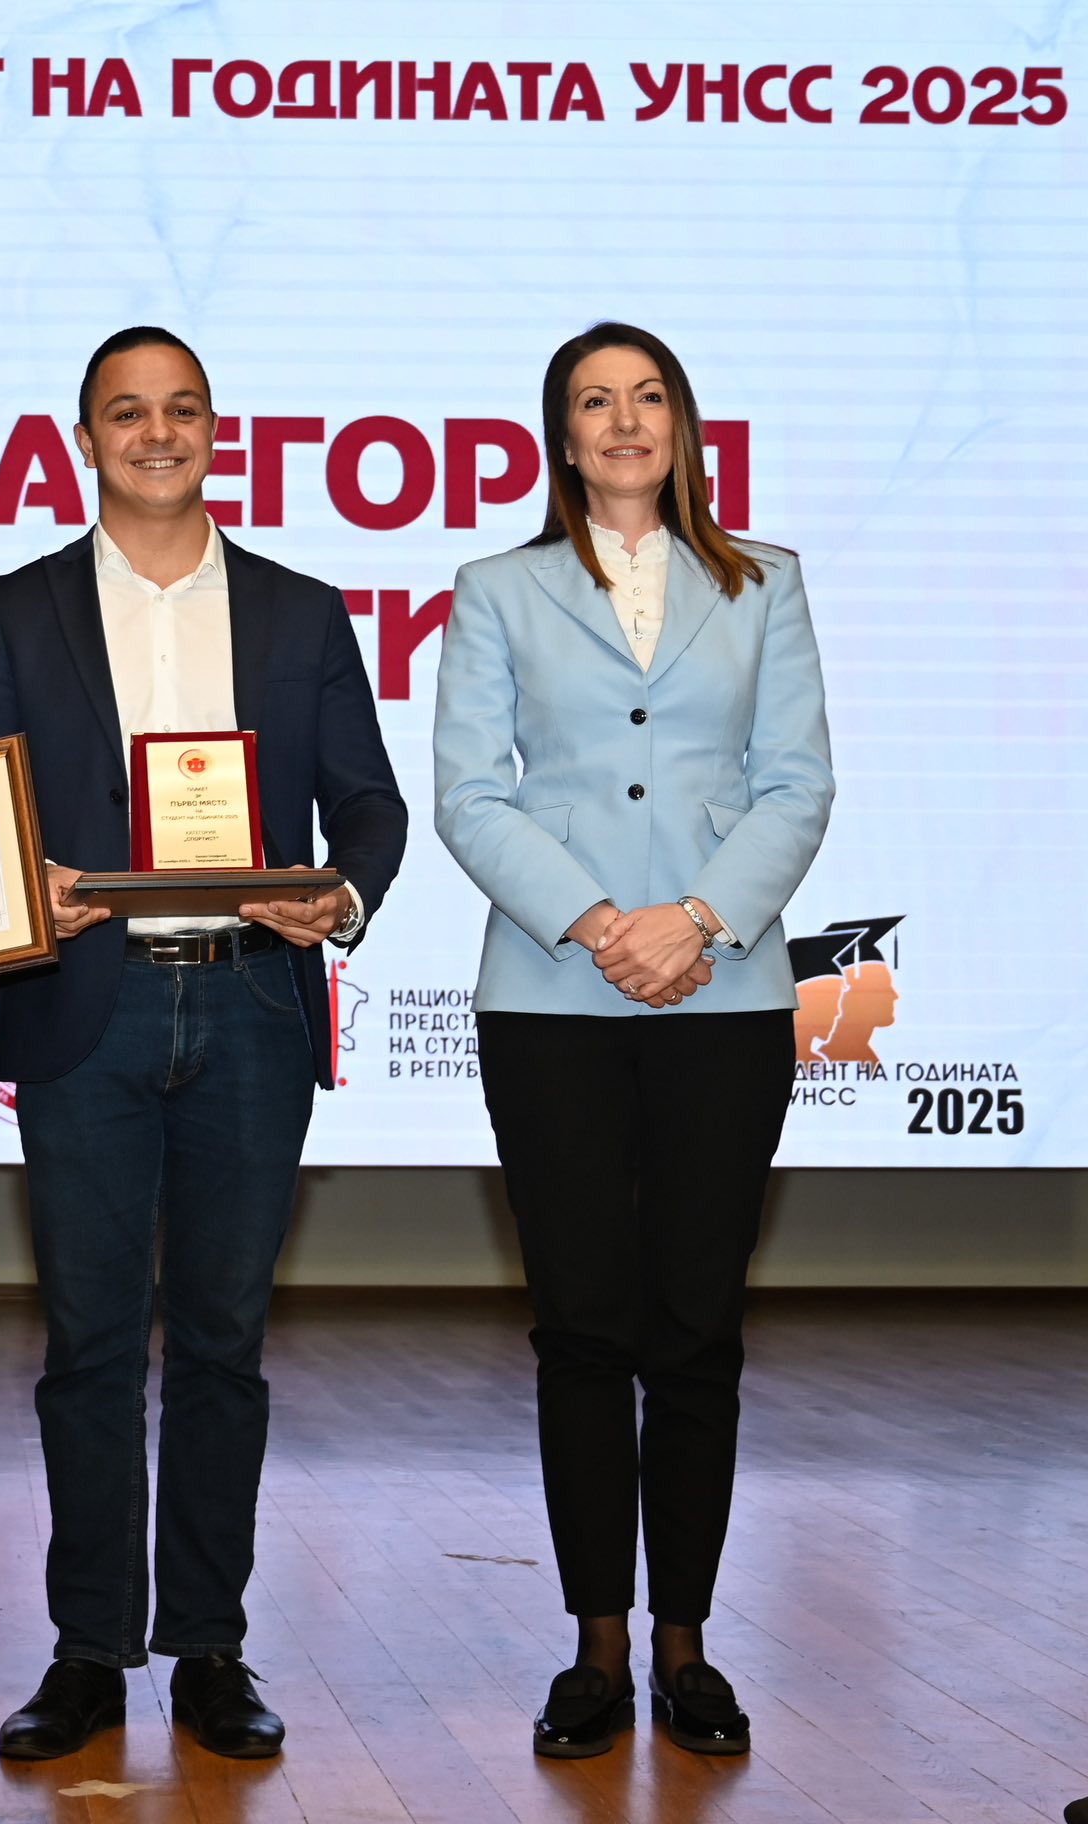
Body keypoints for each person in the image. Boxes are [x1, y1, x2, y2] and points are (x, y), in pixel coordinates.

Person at [0, 327, 408, 1760]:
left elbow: (371, 807)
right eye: (127, 412)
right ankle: (89, 1650)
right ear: (83, 438)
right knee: (89, 1346)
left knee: (224, 1343)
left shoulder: (301, 612)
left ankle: (210, 1646)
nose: (157, 433)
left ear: (218, 430)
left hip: (253, 1008)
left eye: (182, 409)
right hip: (87, 1009)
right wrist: (11, 884)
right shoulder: (13, 610)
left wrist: (338, 895)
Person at [433, 321, 834, 1759]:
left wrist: (700, 922)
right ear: (561, 434)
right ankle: (598, 1644)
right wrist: (603, 923)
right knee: (584, 1330)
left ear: (683, 423)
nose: (622, 422)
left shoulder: (767, 583)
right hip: (554, 996)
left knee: (699, 1332)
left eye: (647, 396)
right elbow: (470, 795)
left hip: (727, 997)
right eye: (594, 402)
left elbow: (799, 784)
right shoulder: (496, 590)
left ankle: (687, 1645)